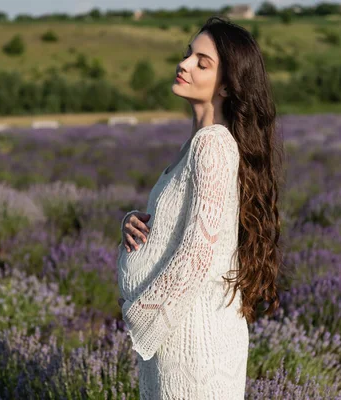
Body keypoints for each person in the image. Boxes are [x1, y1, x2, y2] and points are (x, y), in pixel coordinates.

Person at [117, 16, 285, 399]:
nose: (185, 64)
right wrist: (133, 223)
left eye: (201, 62)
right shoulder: (195, 147)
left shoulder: (213, 145)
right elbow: (183, 228)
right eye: (187, 54)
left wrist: (143, 314)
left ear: (226, 85)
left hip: (194, 346)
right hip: (178, 341)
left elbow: (198, 251)